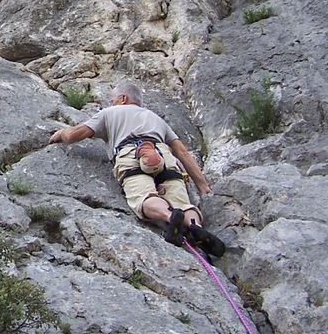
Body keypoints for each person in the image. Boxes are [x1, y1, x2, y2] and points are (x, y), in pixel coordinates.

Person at [48, 81, 225, 257]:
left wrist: (61, 133)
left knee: (143, 197)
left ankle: (170, 216)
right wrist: (203, 187)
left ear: (123, 98)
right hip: (163, 153)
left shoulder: (109, 113)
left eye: (113, 100)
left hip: (131, 153)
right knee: (183, 203)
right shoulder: (156, 118)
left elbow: (74, 135)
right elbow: (183, 152)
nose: (112, 103)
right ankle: (194, 225)